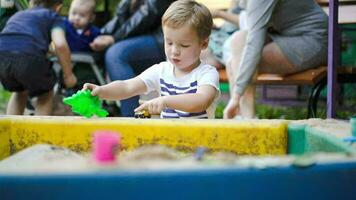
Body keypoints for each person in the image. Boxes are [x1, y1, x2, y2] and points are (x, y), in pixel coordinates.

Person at [83, 0, 220, 119]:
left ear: (203, 44)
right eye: (169, 43)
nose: (174, 51)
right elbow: (127, 87)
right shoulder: (161, 70)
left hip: (199, 144)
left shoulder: (207, 73)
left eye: (184, 45)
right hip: (167, 144)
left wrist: (165, 101)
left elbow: (201, 100)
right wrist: (101, 91)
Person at [223, 0, 328, 119]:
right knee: (238, 41)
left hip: (314, 39)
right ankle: (239, 116)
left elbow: (253, 45)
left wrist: (236, 95)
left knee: (243, 60)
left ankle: (248, 119)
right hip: (287, 35)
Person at [89, 0, 176, 117]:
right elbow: (120, 18)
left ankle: (130, 116)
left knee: (116, 54)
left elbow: (148, 13)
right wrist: (95, 36)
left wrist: (114, 38)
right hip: (140, 36)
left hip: (164, 38)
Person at [0, 0, 77, 115]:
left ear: (31, 3)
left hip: (3, 56)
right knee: (45, 93)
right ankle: (39, 132)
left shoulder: (18, 15)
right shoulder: (53, 16)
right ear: (58, 7)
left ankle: (11, 131)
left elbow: (18, 38)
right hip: (29, 58)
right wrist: (68, 75)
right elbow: (60, 44)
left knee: (19, 91)